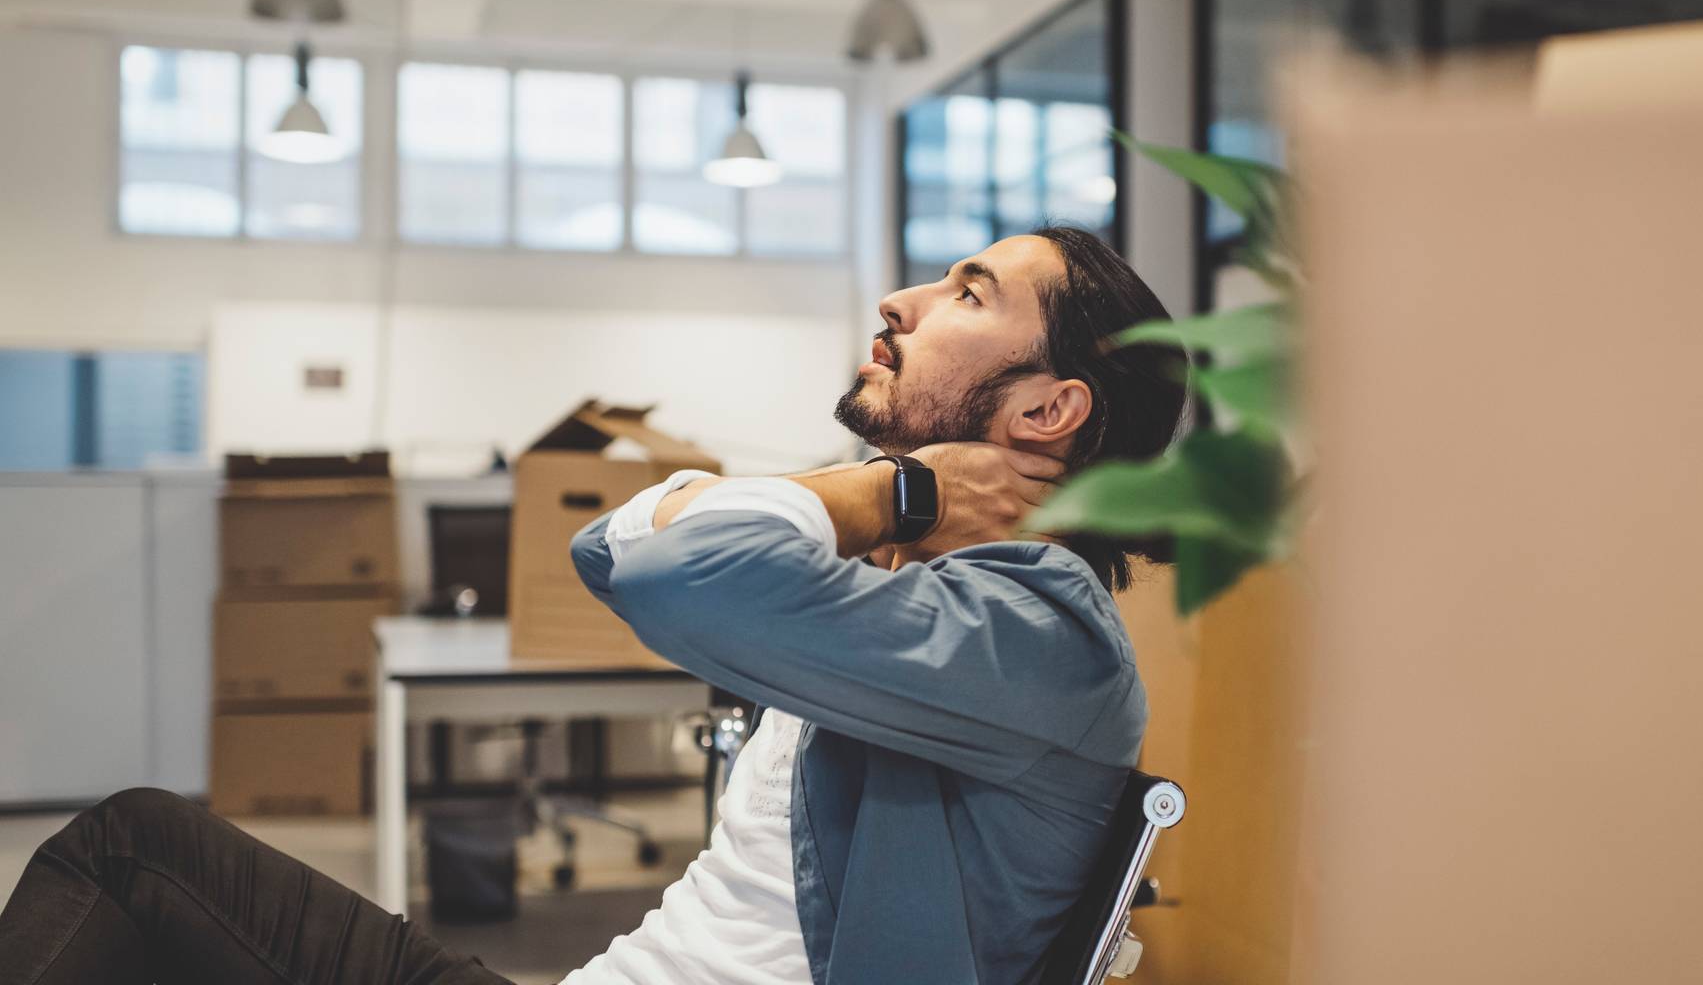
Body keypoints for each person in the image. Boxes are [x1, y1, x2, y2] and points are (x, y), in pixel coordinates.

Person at [0, 226, 1189, 985]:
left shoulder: (1038, 636)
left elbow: (674, 565)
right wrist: (907, 501)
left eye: (967, 293)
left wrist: (900, 490)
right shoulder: (943, 595)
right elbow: (612, 549)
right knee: (139, 852)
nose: (900, 297)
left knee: (129, 857)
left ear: (1047, 412)